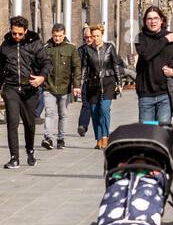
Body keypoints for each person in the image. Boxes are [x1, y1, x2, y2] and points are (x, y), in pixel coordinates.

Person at [1, 15, 50, 168]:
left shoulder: (35, 44)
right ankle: (14, 158)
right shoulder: (5, 45)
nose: (17, 36)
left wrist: (41, 77)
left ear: (26, 31)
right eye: (14, 33)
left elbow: (47, 63)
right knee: (12, 122)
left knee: (29, 124)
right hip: (11, 88)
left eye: (20, 34)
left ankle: (30, 150)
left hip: (30, 88)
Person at [81, 23, 124, 149]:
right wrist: (80, 83)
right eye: (93, 36)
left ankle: (105, 136)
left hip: (108, 82)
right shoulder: (87, 50)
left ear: (102, 35)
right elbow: (84, 68)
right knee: (95, 112)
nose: (95, 38)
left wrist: (119, 82)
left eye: (98, 36)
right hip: (93, 84)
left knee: (104, 109)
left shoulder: (109, 47)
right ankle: (99, 138)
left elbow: (116, 65)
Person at [135, 5, 173, 125]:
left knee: (162, 130)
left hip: (165, 93)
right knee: (147, 131)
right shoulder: (140, 38)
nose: (153, 21)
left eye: (156, 18)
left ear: (162, 20)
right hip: (146, 93)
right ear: (145, 21)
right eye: (149, 19)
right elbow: (147, 55)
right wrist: (164, 40)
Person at [42, 22, 81, 150]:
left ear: (64, 35)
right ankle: (48, 138)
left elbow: (76, 67)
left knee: (63, 114)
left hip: (65, 87)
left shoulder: (71, 48)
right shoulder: (46, 48)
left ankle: (61, 138)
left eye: (59, 36)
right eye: (55, 36)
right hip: (49, 86)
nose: (57, 38)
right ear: (52, 35)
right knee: (49, 112)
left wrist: (76, 85)